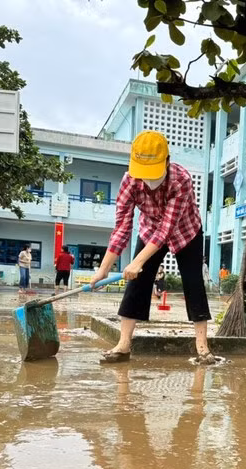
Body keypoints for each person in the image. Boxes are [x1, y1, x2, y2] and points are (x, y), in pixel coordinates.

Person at [90, 130, 213, 364]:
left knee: (193, 282)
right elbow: (121, 229)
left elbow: (167, 230)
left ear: (167, 161)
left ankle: (202, 347)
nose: (148, 180)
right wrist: (103, 269)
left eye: (153, 173)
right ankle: (123, 344)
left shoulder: (181, 180)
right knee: (137, 283)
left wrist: (138, 262)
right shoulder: (130, 181)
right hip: (148, 231)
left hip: (186, 232)